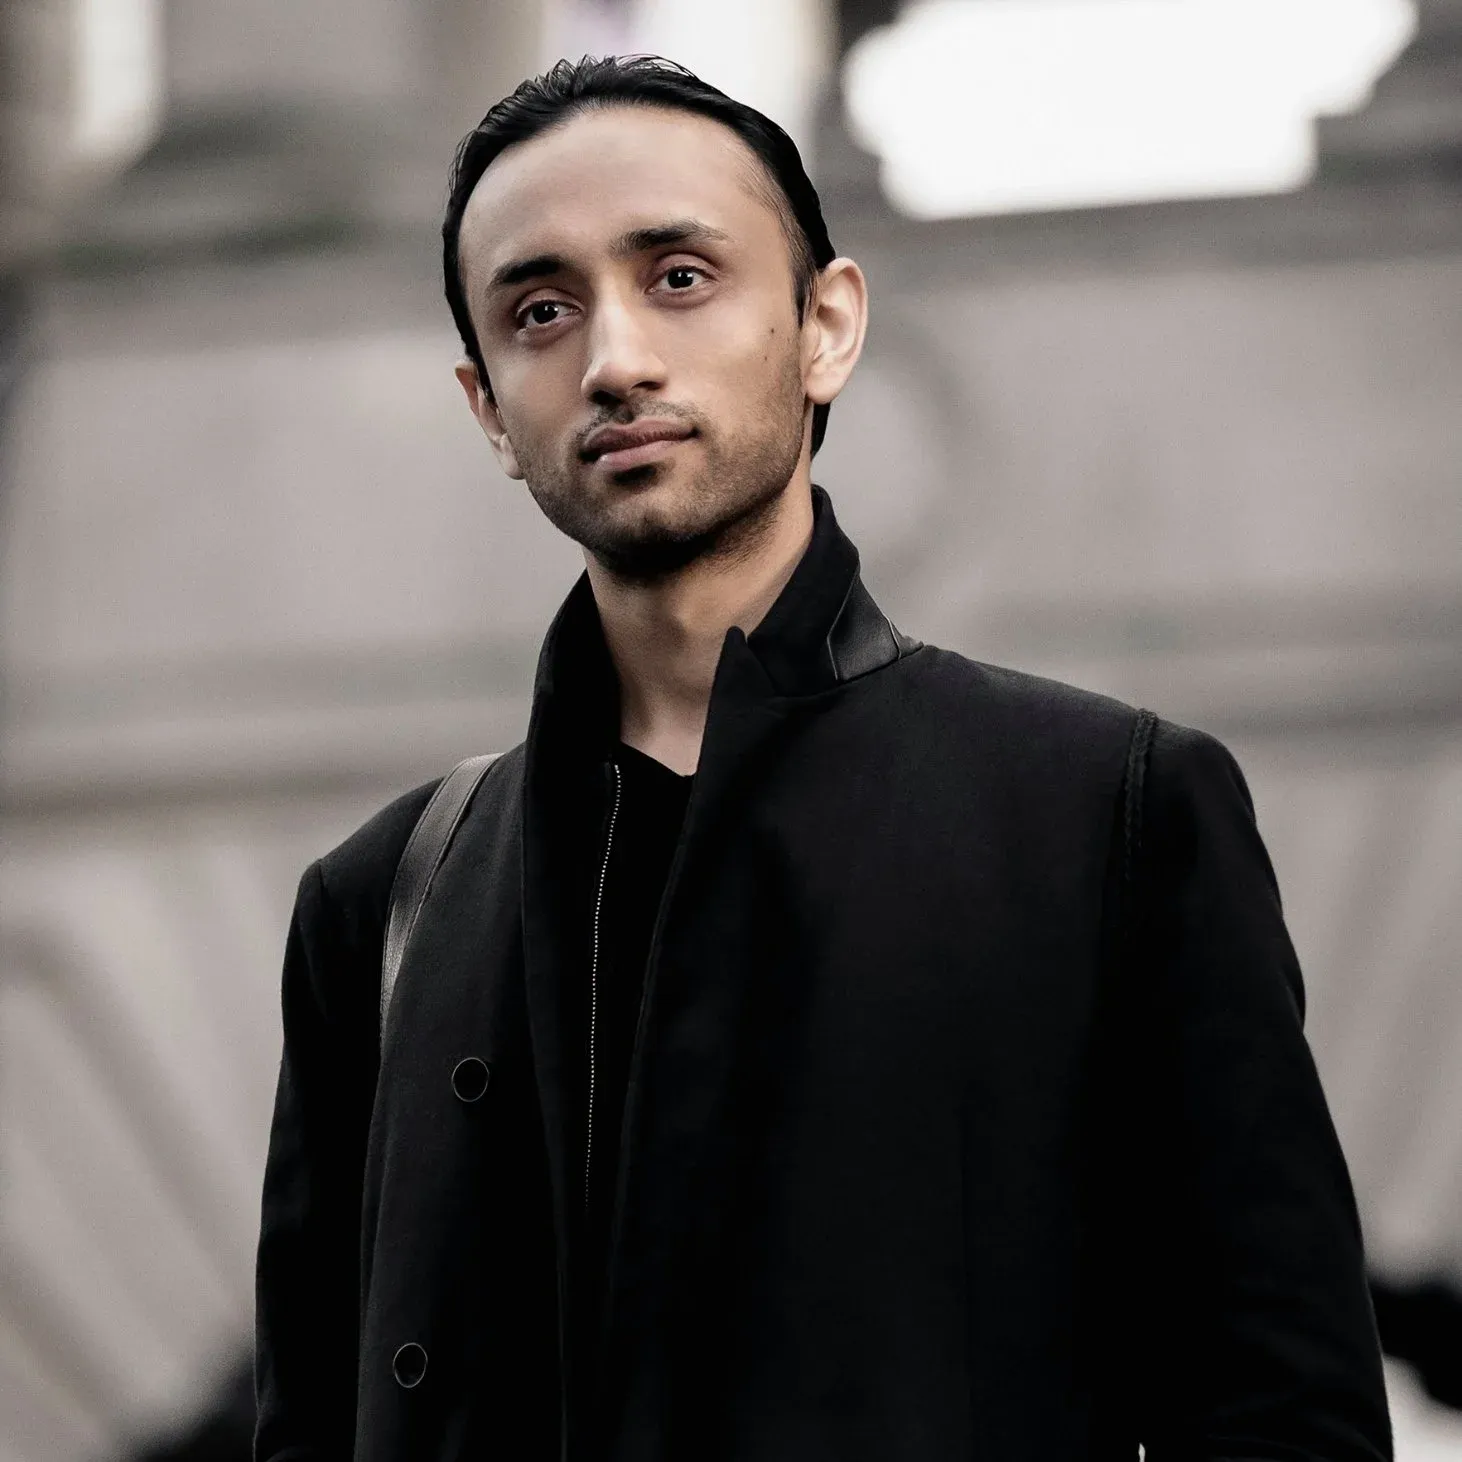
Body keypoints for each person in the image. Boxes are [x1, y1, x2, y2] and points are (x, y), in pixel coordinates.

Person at [253, 53, 1393, 1462]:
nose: (614, 358)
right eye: (540, 310)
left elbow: (1283, 1417)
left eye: (678, 276)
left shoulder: (1106, 813)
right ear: (489, 407)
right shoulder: (379, 902)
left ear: (825, 327)